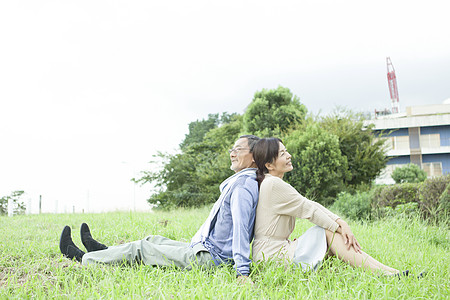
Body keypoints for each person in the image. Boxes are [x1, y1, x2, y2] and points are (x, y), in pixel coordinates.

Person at [59, 135, 260, 281]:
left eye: (238, 149)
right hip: (205, 249)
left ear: (254, 156)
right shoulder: (241, 182)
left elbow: (242, 229)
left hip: (210, 258)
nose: (232, 153)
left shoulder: (242, 186)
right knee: (152, 240)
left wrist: (242, 271)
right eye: (231, 149)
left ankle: (84, 258)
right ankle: (102, 250)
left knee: (143, 249)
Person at [251, 137, 404, 276]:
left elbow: (310, 204)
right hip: (272, 257)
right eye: (282, 154)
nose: (289, 155)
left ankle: (391, 272)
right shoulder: (273, 184)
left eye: (286, 151)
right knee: (327, 232)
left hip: (272, 253)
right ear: (269, 164)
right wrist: (339, 228)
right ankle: (385, 274)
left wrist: (341, 223)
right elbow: (309, 211)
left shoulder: (272, 182)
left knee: (329, 233)